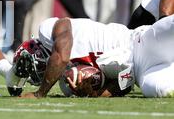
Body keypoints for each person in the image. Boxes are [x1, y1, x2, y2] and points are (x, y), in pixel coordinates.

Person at [14, 15, 174, 98]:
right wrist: (93, 92)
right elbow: (122, 87)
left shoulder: (48, 29)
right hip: (140, 74)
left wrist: (40, 93)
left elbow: (62, 56)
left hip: (141, 42)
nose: (35, 70)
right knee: (160, 89)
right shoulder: (68, 82)